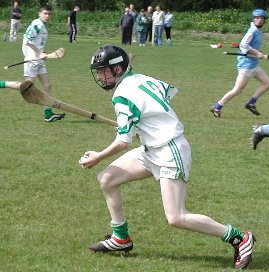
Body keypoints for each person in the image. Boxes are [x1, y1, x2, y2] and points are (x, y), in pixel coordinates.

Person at [79, 44, 256, 269]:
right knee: (107, 179)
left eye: (103, 70)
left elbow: (123, 141)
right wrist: (143, 121)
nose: (100, 76)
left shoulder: (122, 96)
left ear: (117, 69)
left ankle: (240, 237)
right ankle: (120, 238)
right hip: (152, 150)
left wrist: (98, 156)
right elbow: (166, 94)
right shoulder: (140, 78)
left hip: (170, 151)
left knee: (177, 218)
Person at [210, 9, 269, 118]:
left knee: (268, 83)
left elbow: (249, 46)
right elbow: (243, 45)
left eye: (262, 18)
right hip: (246, 66)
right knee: (238, 90)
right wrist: (256, 52)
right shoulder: (251, 31)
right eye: (257, 18)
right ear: (253, 19)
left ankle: (251, 102)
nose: (259, 20)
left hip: (254, 64)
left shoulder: (257, 31)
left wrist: (259, 51)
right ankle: (217, 106)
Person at [22, 5, 65, 122]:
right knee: (27, 87)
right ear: (39, 13)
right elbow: (27, 41)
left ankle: (48, 114)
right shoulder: (38, 24)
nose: (47, 16)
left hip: (38, 60)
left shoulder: (42, 25)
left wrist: (42, 53)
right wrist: (38, 53)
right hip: (32, 60)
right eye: (45, 13)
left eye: (49, 14)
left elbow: (36, 42)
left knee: (47, 85)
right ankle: (1, 84)